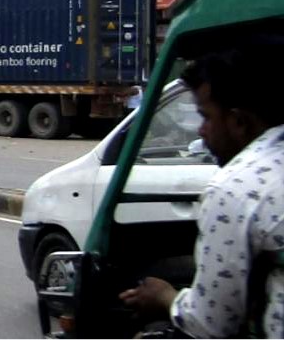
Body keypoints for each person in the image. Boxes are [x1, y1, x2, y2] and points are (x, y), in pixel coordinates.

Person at [119, 44, 284, 338]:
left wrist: (165, 298)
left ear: (238, 122)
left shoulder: (235, 188)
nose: (201, 131)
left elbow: (210, 325)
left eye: (206, 117)